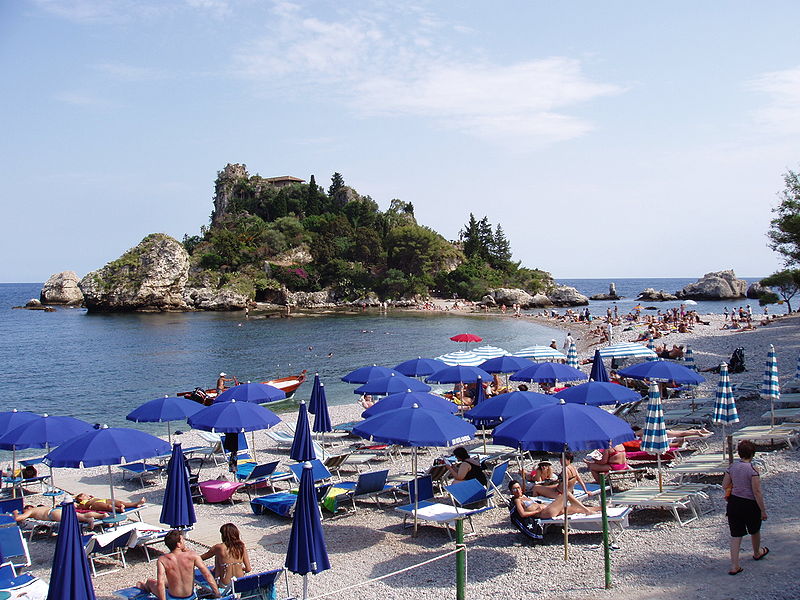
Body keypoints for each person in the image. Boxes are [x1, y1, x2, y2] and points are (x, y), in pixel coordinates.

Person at [723, 440, 768, 575]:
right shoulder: (753, 470)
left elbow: (725, 485)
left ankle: (734, 565)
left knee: (736, 535)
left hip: (734, 503)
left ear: (739, 453)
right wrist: (763, 510)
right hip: (750, 504)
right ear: (752, 454)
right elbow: (757, 492)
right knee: (754, 530)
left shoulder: (731, 468)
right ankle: (757, 552)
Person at [137, 530, 219, 600]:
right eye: (183, 540)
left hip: (173, 598)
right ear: (178, 544)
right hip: (190, 597)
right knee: (169, 580)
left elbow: (160, 583)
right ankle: (144, 585)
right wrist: (217, 594)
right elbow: (207, 575)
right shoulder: (193, 556)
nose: (184, 542)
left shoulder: (163, 560)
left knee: (151, 582)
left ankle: (144, 586)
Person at [508, 481, 598, 521]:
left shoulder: (524, 496)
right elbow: (522, 514)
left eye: (518, 488)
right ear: (512, 491)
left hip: (548, 508)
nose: (518, 490)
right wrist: (537, 511)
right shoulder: (517, 501)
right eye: (515, 489)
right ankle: (587, 511)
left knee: (575, 509)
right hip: (544, 513)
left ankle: (602, 508)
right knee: (566, 493)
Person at [14, 504, 105, 529]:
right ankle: (101, 515)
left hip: (52, 515)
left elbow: (18, 518)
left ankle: (89, 520)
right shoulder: (41, 507)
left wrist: (15, 512)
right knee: (80, 515)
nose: (24, 513)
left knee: (77, 518)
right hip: (56, 510)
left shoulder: (30, 511)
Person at [75, 493, 146, 513]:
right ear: (80, 498)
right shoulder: (82, 503)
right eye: (84, 495)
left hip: (103, 500)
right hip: (94, 505)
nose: (86, 495)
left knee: (120, 502)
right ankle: (118, 510)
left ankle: (136, 504)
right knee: (108, 506)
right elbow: (80, 507)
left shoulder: (91, 498)